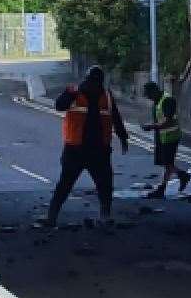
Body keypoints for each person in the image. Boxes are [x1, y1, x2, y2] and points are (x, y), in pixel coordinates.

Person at [45, 65, 129, 227]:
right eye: (92, 81)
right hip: (77, 148)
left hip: (98, 149)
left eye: (97, 82)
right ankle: (52, 216)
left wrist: (123, 137)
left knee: (104, 183)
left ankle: (104, 214)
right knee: (66, 183)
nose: (94, 85)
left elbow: (115, 118)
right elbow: (59, 105)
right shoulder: (74, 93)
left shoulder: (107, 96)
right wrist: (71, 93)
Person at [141, 81, 191, 198]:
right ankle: (170, 184)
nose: (148, 98)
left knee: (167, 163)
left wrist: (151, 126)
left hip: (171, 136)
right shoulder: (157, 101)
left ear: (154, 91)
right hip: (163, 136)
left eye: (148, 95)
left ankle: (178, 179)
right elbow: (160, 119)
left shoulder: (167, 100)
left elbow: (169, 121)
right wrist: (152, 125)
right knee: (167, 163)